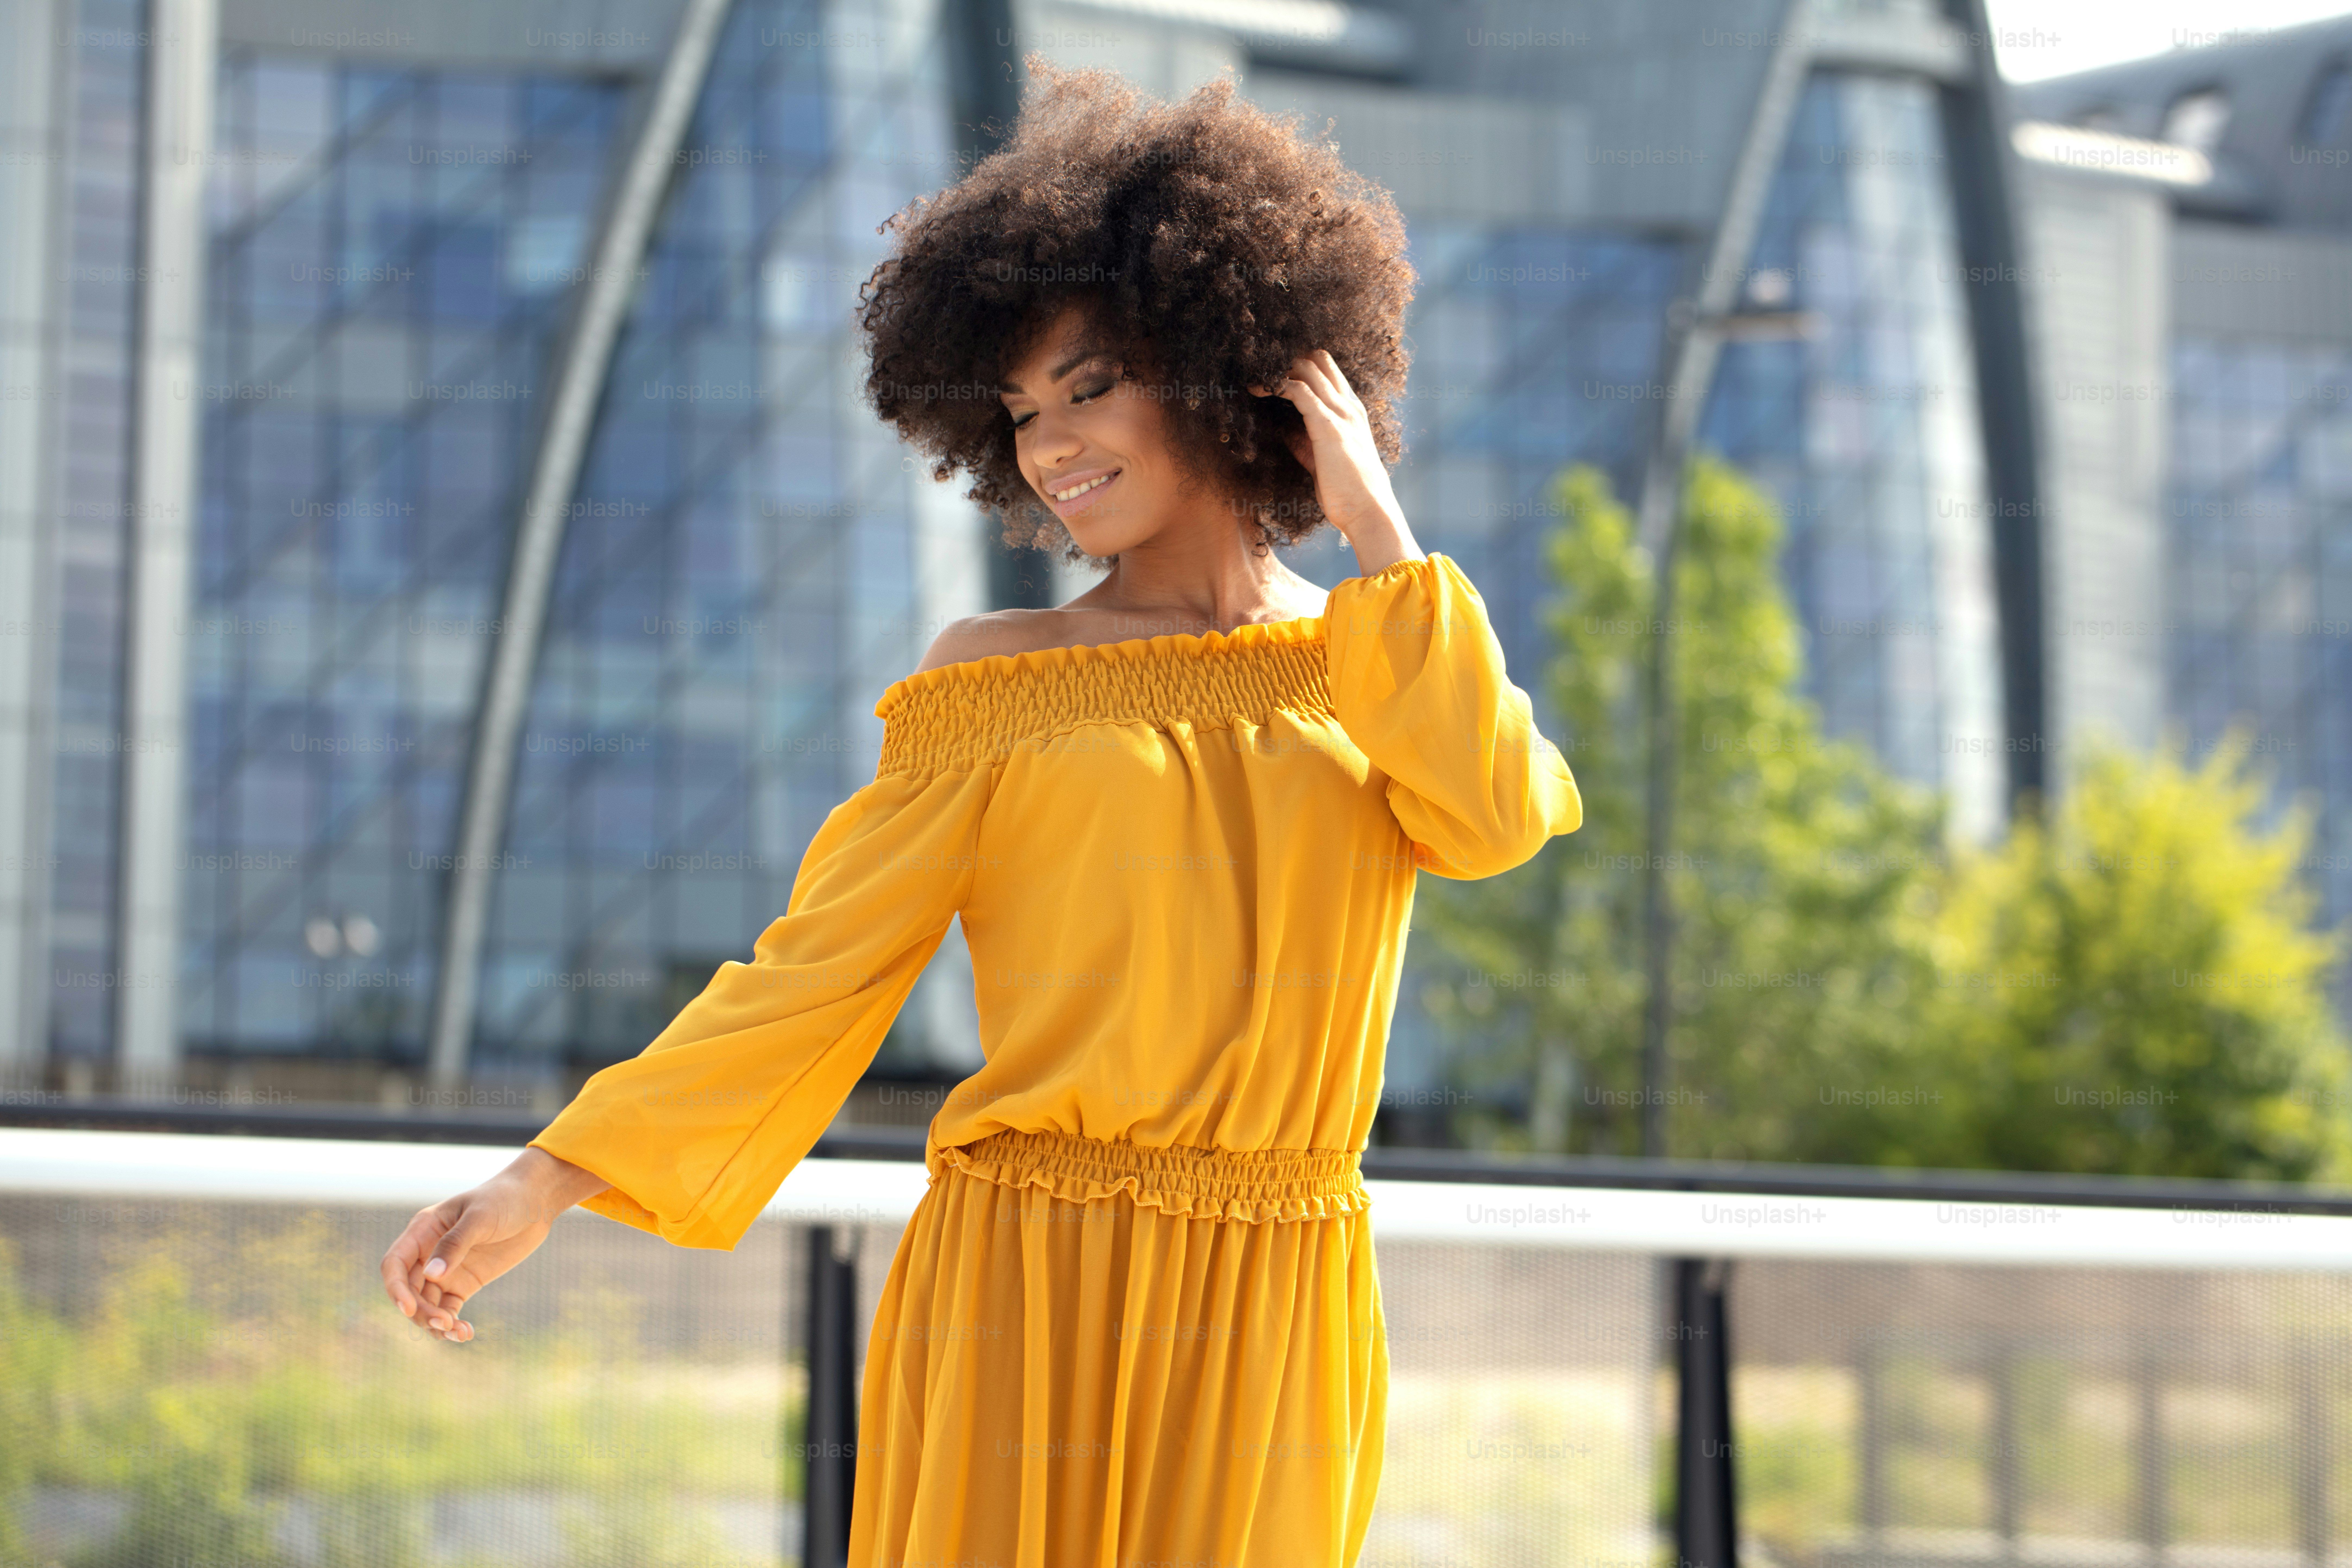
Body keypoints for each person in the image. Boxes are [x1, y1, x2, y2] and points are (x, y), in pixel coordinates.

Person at [380, 60, 1582, 1567]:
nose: (1048, 446)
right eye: (1017, 412)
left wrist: (1380, 536)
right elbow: (816, 975)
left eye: (1089, 387)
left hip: (1283, 1291)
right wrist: (547, 1178)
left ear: (1236, 369)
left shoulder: (1383, 661)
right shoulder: (994, 684)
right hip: (1028, 1278)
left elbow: (1492, 818)